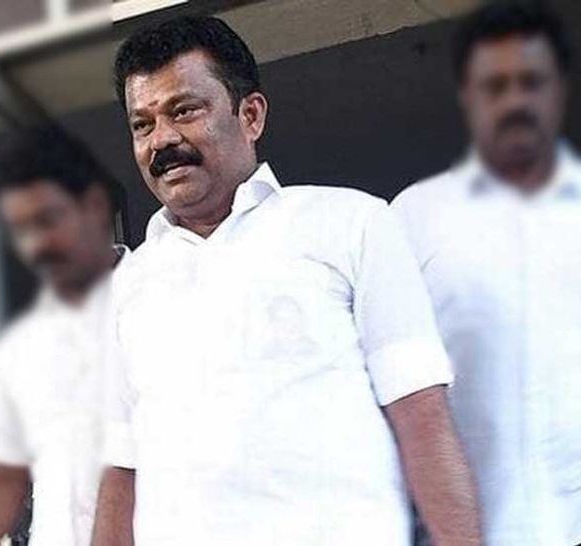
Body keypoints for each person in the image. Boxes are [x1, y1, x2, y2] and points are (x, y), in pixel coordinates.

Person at [93, 16, 481, 546]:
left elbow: (422, 417)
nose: (162, 139)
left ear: (250, 115)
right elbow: (121, 469)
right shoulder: (127, 286)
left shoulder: (350, 224)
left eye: (184, 111)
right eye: (143, 125)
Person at [391, 3, 581, 545]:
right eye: (495, 85)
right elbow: (389, 366)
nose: (515, 100)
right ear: (468, 97)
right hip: (487, 518)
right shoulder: (411, 216)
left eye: (531, 82)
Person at [0, 127, 127, 545]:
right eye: (21, 229)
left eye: (48, 220)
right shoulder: (24, 347)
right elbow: (5, 477)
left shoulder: (159, 299)